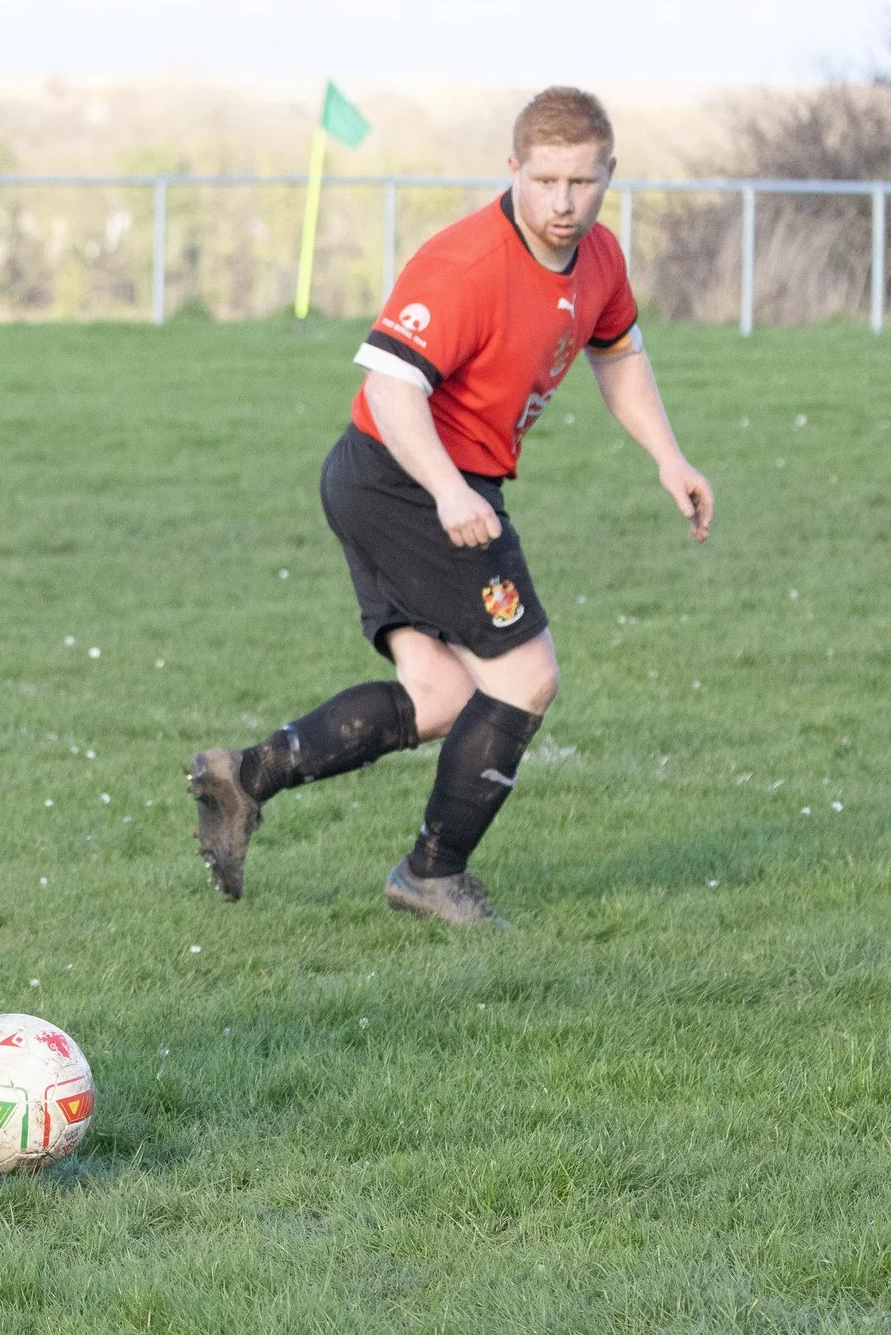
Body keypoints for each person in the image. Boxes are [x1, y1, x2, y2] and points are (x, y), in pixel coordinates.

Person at [188, 87, 714, 924]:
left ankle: (247, 776)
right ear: (513, 169)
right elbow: (392, 391)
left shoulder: (602, 260)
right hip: (403, 479)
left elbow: (618, 357)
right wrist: (446, 490)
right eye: (545, 181)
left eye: (583, 182)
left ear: (610, 174)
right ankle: (431, 873)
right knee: (527, 675)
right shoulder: (466, 264)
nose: (564, 203)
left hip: (424, 484)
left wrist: (669, 457)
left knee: (438, 697)